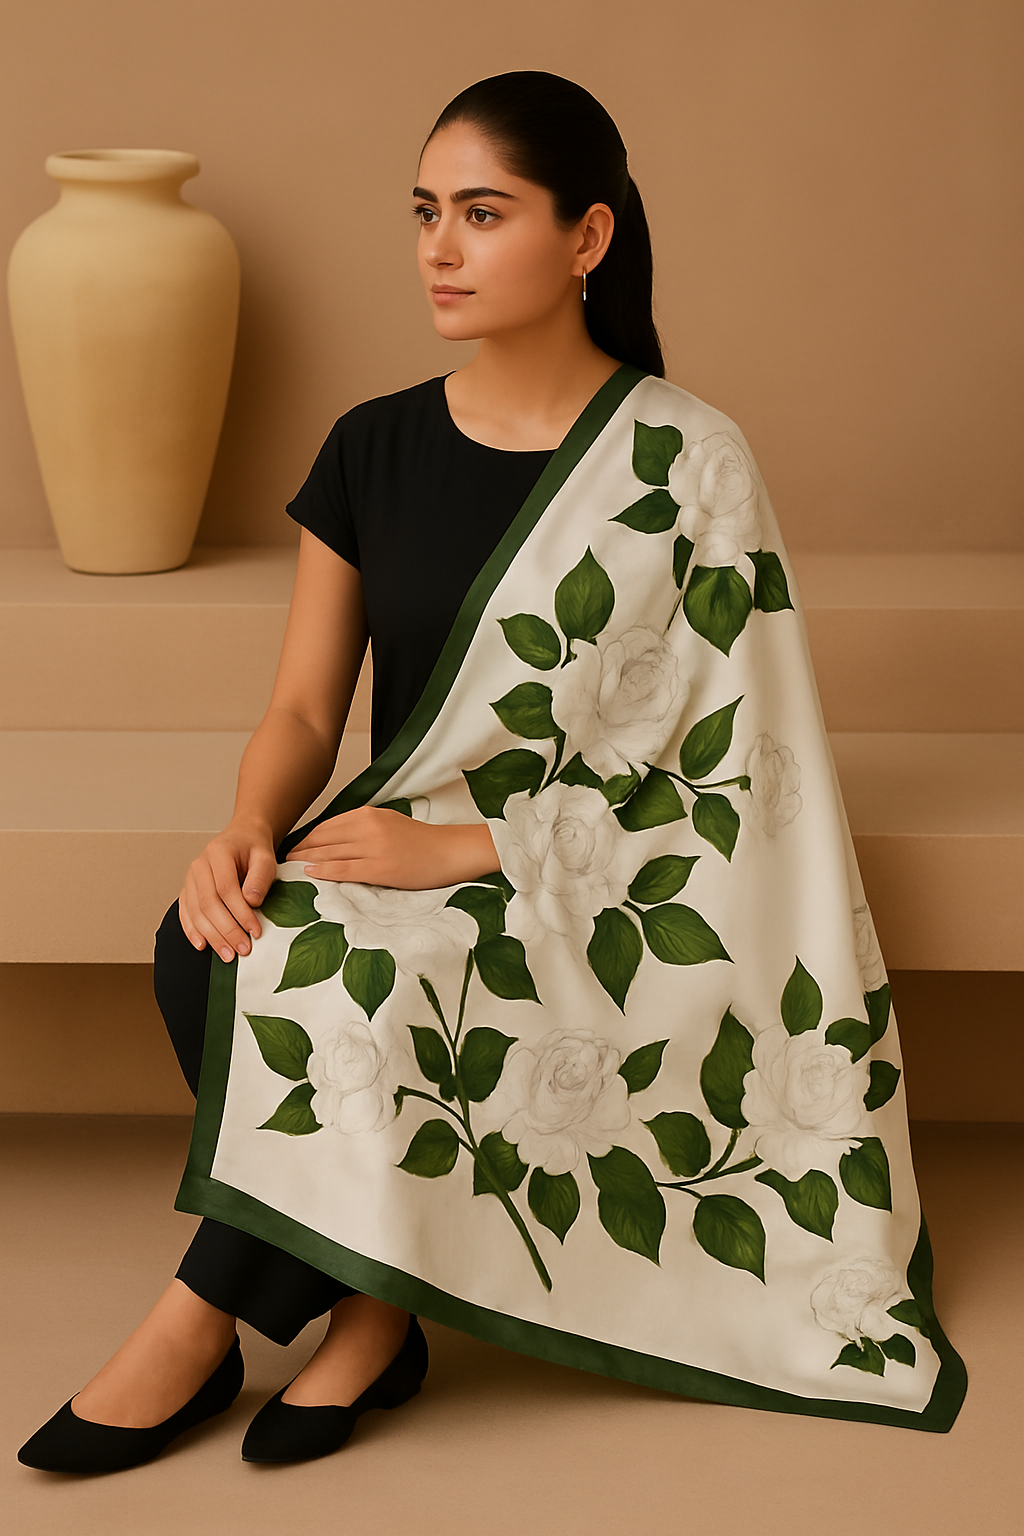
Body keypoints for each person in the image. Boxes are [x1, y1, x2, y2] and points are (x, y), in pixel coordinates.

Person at [19, 71, 965, 1475]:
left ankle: (204, 1321)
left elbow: (734, 777)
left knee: (396, 973)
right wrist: (245, 827)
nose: (439, 251)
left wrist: (484, 855)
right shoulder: (372, 446)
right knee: (200, 942)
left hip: (593, 875)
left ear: (586, 238)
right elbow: (299, 705)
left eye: (482, 213)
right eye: (423, 215)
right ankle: (367, 1310)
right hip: (388, 827)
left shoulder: (687, 467)